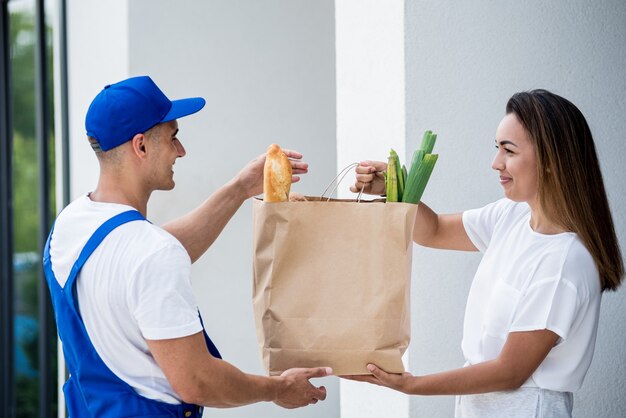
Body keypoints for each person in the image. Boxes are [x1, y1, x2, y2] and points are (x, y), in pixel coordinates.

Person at [43, 75, 332, 417]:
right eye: (173, 137)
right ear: (141, 146)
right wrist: (279, 389)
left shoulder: (71, 224)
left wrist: (240, 188)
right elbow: (196, 380)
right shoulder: (150, 254)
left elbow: (145, 259)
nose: (181, 151)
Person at [347, 89, 624, 417]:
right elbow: (431, 230)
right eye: (497, 149)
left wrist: (409, 385)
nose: (496, 163)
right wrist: (392, 190)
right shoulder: (513, 215)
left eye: (509, 150)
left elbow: (510, 371)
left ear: (551, 160)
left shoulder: (564, 261)